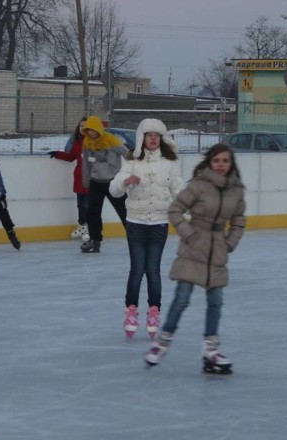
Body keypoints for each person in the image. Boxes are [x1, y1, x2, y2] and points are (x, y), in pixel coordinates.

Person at [144, 143, 246, 375]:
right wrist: (188, 234)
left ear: (231, 164)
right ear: (210, 162)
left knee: (216, 302)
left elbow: (239, 219)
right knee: (181, 299)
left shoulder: (236, 191)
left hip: (217, 250)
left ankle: (210, 350)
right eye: (217, 160)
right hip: (193, 248)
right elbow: (175, 210)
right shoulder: (198, 185)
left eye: (225, 161)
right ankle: (162, 343)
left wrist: (230, 242)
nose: (221, 165)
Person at [109, 119, 183, 338]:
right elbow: (114, 189)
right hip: (136, 223)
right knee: (136, 269)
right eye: (149, 135)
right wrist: (124, 182)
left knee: (153, 270)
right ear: (142, 138)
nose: (153, 138)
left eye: (157, 135)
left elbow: (180, 191)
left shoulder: (170, 164)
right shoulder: (132, 162)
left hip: (159, 223)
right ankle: (131, 311)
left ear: (161, 139)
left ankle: (154, 311)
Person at [80, 115, 128, 254]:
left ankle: (135, 239)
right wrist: (86, 181)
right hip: (96, 181)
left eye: (93, 130)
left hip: (113, 182)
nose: (91, 133)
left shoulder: (111, 140)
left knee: (124, 211)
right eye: (88, 130)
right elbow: (86, 163)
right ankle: (95, 241)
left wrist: (128, 173)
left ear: (99, 129)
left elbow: (127, 154)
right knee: (93, 213)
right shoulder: (87, 142)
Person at [48, 117, 90, 241]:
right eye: (81, 126)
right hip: (79, 179)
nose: (83, 128)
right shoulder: (77, 141)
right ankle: (84, 228)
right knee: (81, 206)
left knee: (88, 206)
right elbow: (71, 156)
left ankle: (89, 230)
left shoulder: (94, 142)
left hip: (91, 179)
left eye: (85, 126)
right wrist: (57, 154)